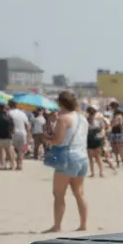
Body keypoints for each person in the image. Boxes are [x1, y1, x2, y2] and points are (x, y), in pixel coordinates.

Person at [41, 90, 90, 232]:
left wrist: (46, 137)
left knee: (59, 194)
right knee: (79, 193)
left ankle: (57, 226)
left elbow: (58, 140)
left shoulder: (63, 119)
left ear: (61, 103)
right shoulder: (83, 118)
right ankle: (83, 224)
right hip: (82, 156)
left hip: (68, 158)